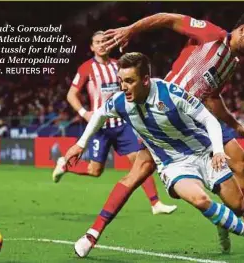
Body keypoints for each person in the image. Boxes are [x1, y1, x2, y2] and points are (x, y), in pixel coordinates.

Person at [71, 10, 244, 255]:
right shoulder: (211, 34)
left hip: (197, 120)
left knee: (241, 162)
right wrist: (131, 29)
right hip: (164, 115)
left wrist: (237, 126)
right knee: (137, 174)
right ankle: (93, 233)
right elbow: (168, 18)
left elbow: (212, 96)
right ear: (242, 30)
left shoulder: (232, 60)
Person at [52, 31, 177, 215]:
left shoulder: (118, 65)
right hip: (100, 127)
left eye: (104, 41)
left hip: (122, 124)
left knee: (139, 162)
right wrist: (84, 113)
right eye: (97, 42)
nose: (102, 44)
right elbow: (71, 94)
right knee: (95, 171)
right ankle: (65, 165)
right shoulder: (86, 68)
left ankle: (155, 203)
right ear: (92, 47)